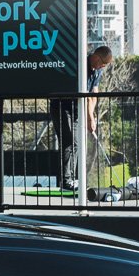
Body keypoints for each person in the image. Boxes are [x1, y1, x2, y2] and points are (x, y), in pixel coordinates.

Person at [52, 45, 114, 191]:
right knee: (69, 142)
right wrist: (90, 118)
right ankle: (66, 181)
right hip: (62, 106)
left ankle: (72, 178)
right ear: (97, 58)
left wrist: (90, 115)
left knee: (77, 144)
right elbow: (84, 96)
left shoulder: (97, 71)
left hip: (77, 110)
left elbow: (93, 95)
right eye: (103, 64)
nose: (102, 67)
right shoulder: (81, 65)